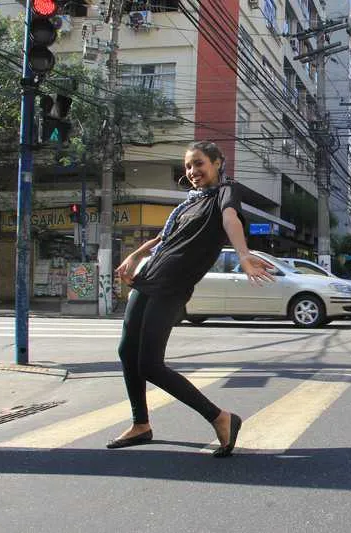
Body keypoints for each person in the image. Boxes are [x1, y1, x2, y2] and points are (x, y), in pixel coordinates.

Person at [110, 141, 274, 457]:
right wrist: (134, 256)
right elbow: (166, 237)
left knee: (151, 365)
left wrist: (243, 254)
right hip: (149, 277)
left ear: (217, 162)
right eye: (188, 166)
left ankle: (220, 417)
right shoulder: (190, 203)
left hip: (172, 284)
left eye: (199, 163)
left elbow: (230, 220)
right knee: (126, 351)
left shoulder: (226, 193)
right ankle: (140, 424)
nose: (192, 171)